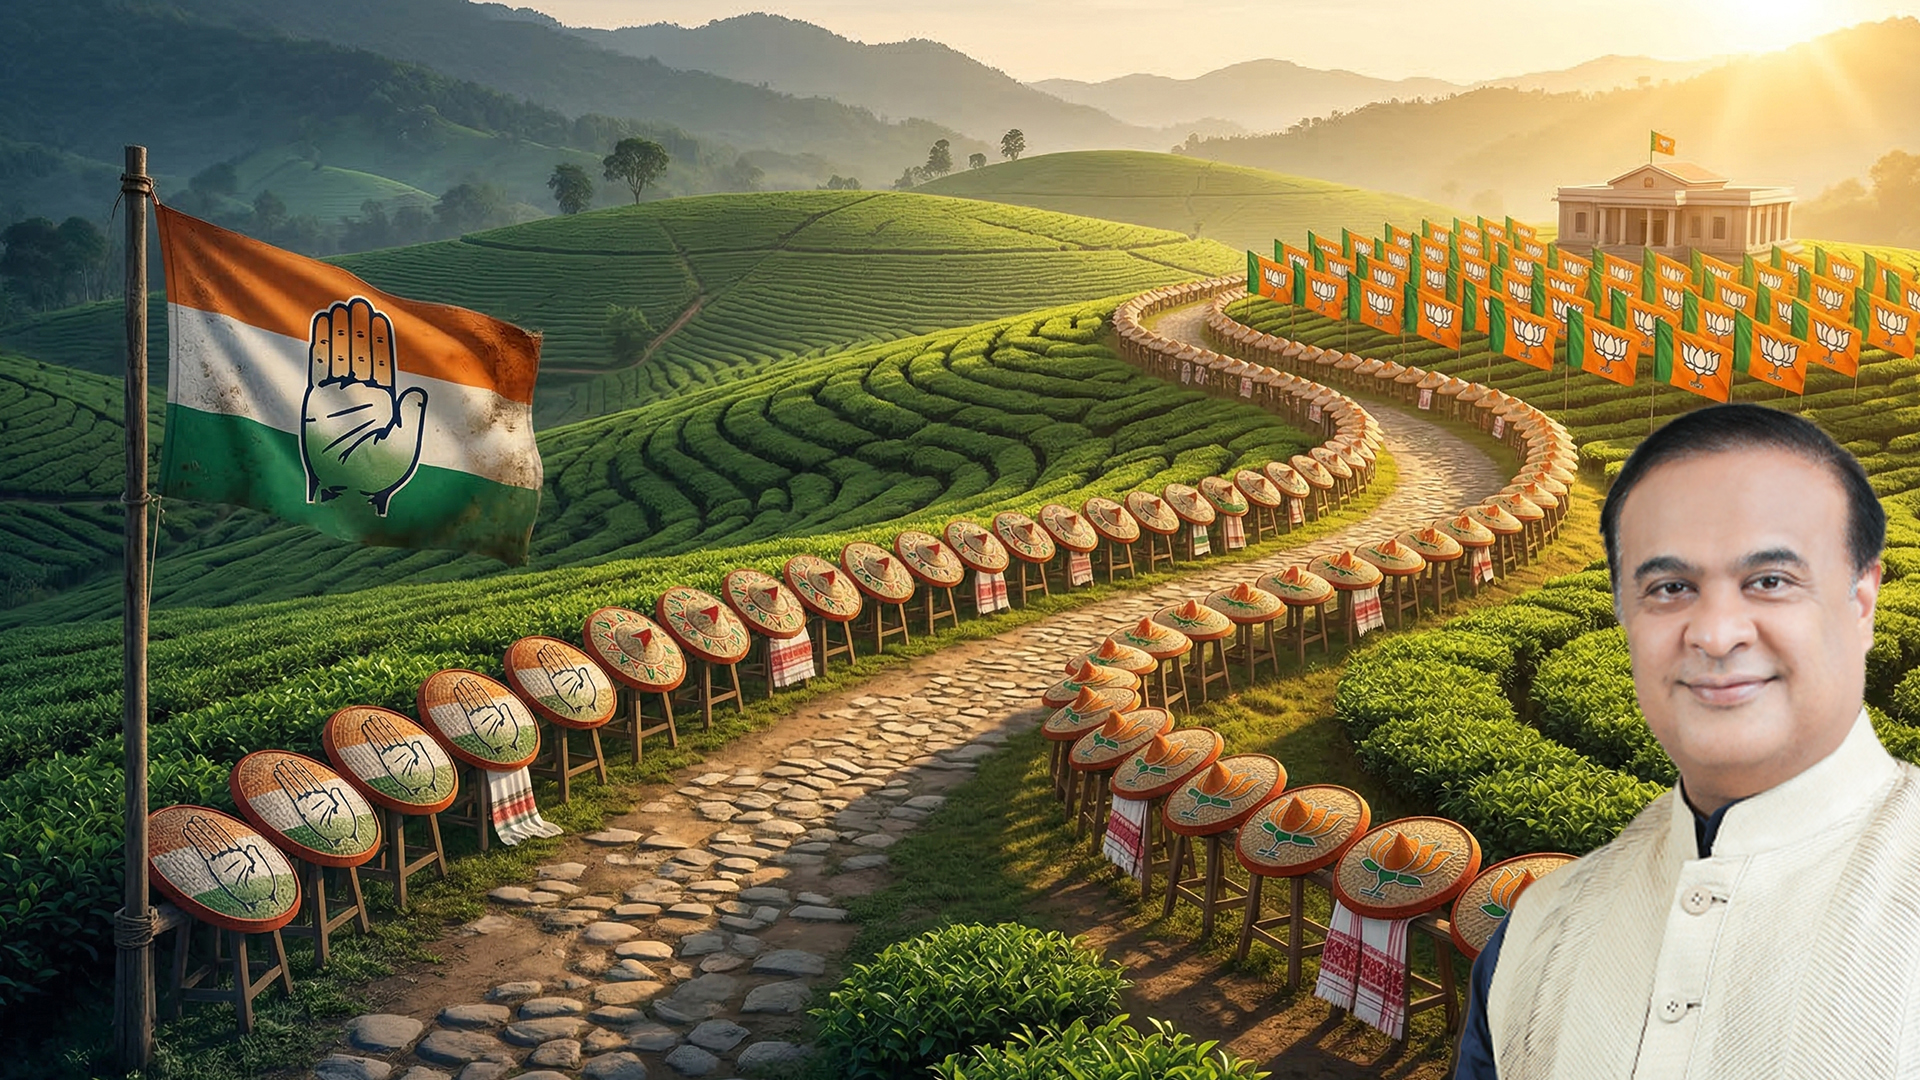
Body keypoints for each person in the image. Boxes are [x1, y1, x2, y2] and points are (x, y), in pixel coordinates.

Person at [1453, 402, 1920, 1078]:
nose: (1716, 633)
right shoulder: (1534, 934)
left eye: (1770, 581)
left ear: (1862, 602)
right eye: (1670, 587)